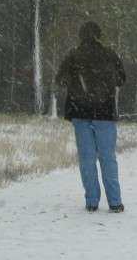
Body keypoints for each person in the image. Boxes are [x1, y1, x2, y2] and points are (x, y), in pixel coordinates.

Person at [54, 20, 127, 213]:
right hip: (104, 112)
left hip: (80, 112)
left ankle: (92, 202)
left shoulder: (73, 55)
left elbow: (60, 80)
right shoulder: (109, 54)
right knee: (107, 157)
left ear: (81, 36)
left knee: (87, 158)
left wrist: (78, 84)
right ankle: (115, 202)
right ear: (98, 35)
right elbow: (122, 80)